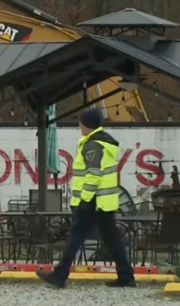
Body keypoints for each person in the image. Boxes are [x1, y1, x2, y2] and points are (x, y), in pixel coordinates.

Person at [36, 108, 136, 288]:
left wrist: (84, 199)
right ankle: (126, 275)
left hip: (93, 201)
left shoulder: (93, 144)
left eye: (81, 123)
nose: (79, 126)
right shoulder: (103, 142)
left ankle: (60, 274)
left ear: (87, 125)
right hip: (103, 202)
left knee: (76, 236)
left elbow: (94, 174)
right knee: (112, 238)